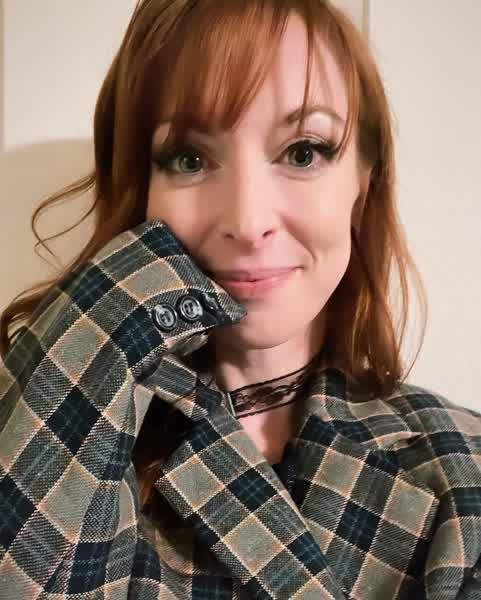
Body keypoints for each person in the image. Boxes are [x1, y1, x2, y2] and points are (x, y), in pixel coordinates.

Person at [0, 1, 480, 598]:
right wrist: (110, 315)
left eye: (303, 152)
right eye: (189, 159)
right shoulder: (49, 425)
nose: (249, 223)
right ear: (140, 185)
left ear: (363, 184)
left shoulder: (463, 470)